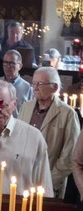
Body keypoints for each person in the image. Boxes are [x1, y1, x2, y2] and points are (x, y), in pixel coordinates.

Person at [18, 67, 80, 198]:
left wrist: (48, 180)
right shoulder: (26, 107)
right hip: (21, 181)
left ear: (54, 87)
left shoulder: (67, 114)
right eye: (33, 84)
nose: (35, 88)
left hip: (51, 185)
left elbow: (69, 156)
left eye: (40, 84)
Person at [0, 50, 33, 117]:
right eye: (5, 62)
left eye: (12, 63)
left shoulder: (28, 88)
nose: (8, 66)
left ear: (20, 66)